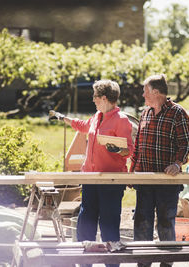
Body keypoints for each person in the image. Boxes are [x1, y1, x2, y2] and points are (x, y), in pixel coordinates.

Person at [50, 80, 134, 267]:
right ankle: (84, 262)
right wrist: (63, 118)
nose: (93, 100)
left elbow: (129, 150)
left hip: (111, 181)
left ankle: (111, 263)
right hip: (90, 177)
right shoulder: (98, 116)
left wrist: (117, 149)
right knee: (86, 220)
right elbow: (83, 125)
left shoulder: (121, 120)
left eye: (95, 96)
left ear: (104, 98)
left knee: (108, 224)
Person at [130, 74, 189, 267]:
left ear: (156, 92)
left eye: (145, 90)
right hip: (145, 180)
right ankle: (143, 263)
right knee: (141, 222)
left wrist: (177, 163)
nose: (143, 94)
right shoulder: (145, 113)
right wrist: (133, 172)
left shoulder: (177, 113)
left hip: (167, 181)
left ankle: (166, 263)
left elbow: (185, 144)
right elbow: (138, 146)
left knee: (165, 223)